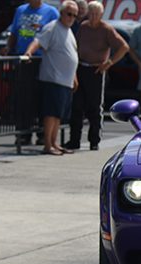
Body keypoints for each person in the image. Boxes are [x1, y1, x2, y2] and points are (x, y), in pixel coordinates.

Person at [66, 1, 128, 151]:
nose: (93, 17)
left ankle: (94, 140)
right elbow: (76, 46)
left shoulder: (106, 29)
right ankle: (74, 140)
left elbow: (124, 47)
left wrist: (109, 62)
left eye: (96, 14)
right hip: (81, 67)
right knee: (77, 106)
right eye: (91, 13)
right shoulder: (83, 26)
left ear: (101, 15)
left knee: (94, 107)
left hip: (96, 71)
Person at [24, 1, 79, 156]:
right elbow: (38, 41)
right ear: (61, 13)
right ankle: (48, 145)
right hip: (53, 79)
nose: (71, 18)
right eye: (69, 14)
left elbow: (70, 55)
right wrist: (29, 53)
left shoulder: (68, 31)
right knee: (51, 114)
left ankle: (55, 143)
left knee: (58, 115)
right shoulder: (52, 27)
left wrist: (74, 76)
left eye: (74, 15)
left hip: (65, 81)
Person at [2, 0, 59, 146]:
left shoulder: (51, 12)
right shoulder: (20, 10)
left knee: (41, 96)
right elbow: (14, 33)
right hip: (23, 60)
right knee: (23, 98)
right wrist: (8, 47)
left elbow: (56, 34)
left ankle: (41, 133)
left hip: (41, 59)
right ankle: (23, 134)